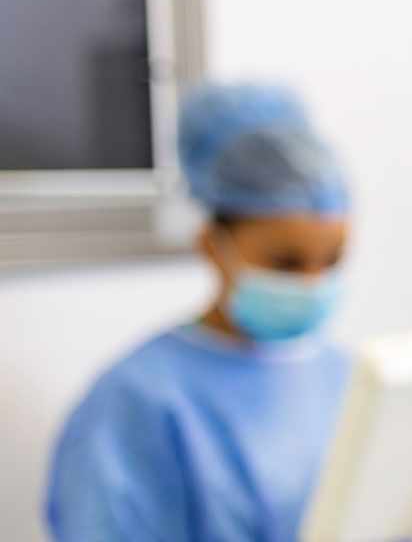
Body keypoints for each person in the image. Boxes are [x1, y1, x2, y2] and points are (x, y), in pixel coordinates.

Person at [45, 83, 353, 542]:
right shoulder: (139, 400)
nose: (313, 284)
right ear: (212, 243)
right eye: (285, 263)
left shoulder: (343, 377)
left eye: (332, 260)